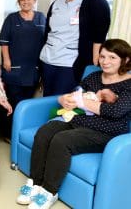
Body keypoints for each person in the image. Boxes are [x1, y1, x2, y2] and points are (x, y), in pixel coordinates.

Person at [16, 39, 131, 209]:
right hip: (79, 121)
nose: (105, 62)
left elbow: (115, 112)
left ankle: (49, 192)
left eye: (112, 57)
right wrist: (64, 99)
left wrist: (82, 101)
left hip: (106, 132)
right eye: (102, 56)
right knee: (44, 132)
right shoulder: (93, 76)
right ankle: (35, 183)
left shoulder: (128, 84)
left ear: (126, 60)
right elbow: (74, 94)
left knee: (62, 140)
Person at [40, 0, 111, 96]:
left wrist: (96, 55)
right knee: (47, 97)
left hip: (70, 62)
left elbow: (100, 30)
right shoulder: (56, 4)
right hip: (48, 59)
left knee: (62, 99)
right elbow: (48, 32)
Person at [0, 0, 46, 109]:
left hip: (33, 68)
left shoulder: (41, 17)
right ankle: (10, 126)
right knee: (14, 102)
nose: (26, 2)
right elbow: (4, 41)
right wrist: (6, 59)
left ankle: (22, 126)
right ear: (19, 2)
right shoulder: (11, 18)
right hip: (14, 67)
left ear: (34, 0)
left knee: (27, 102)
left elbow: (46, 40)